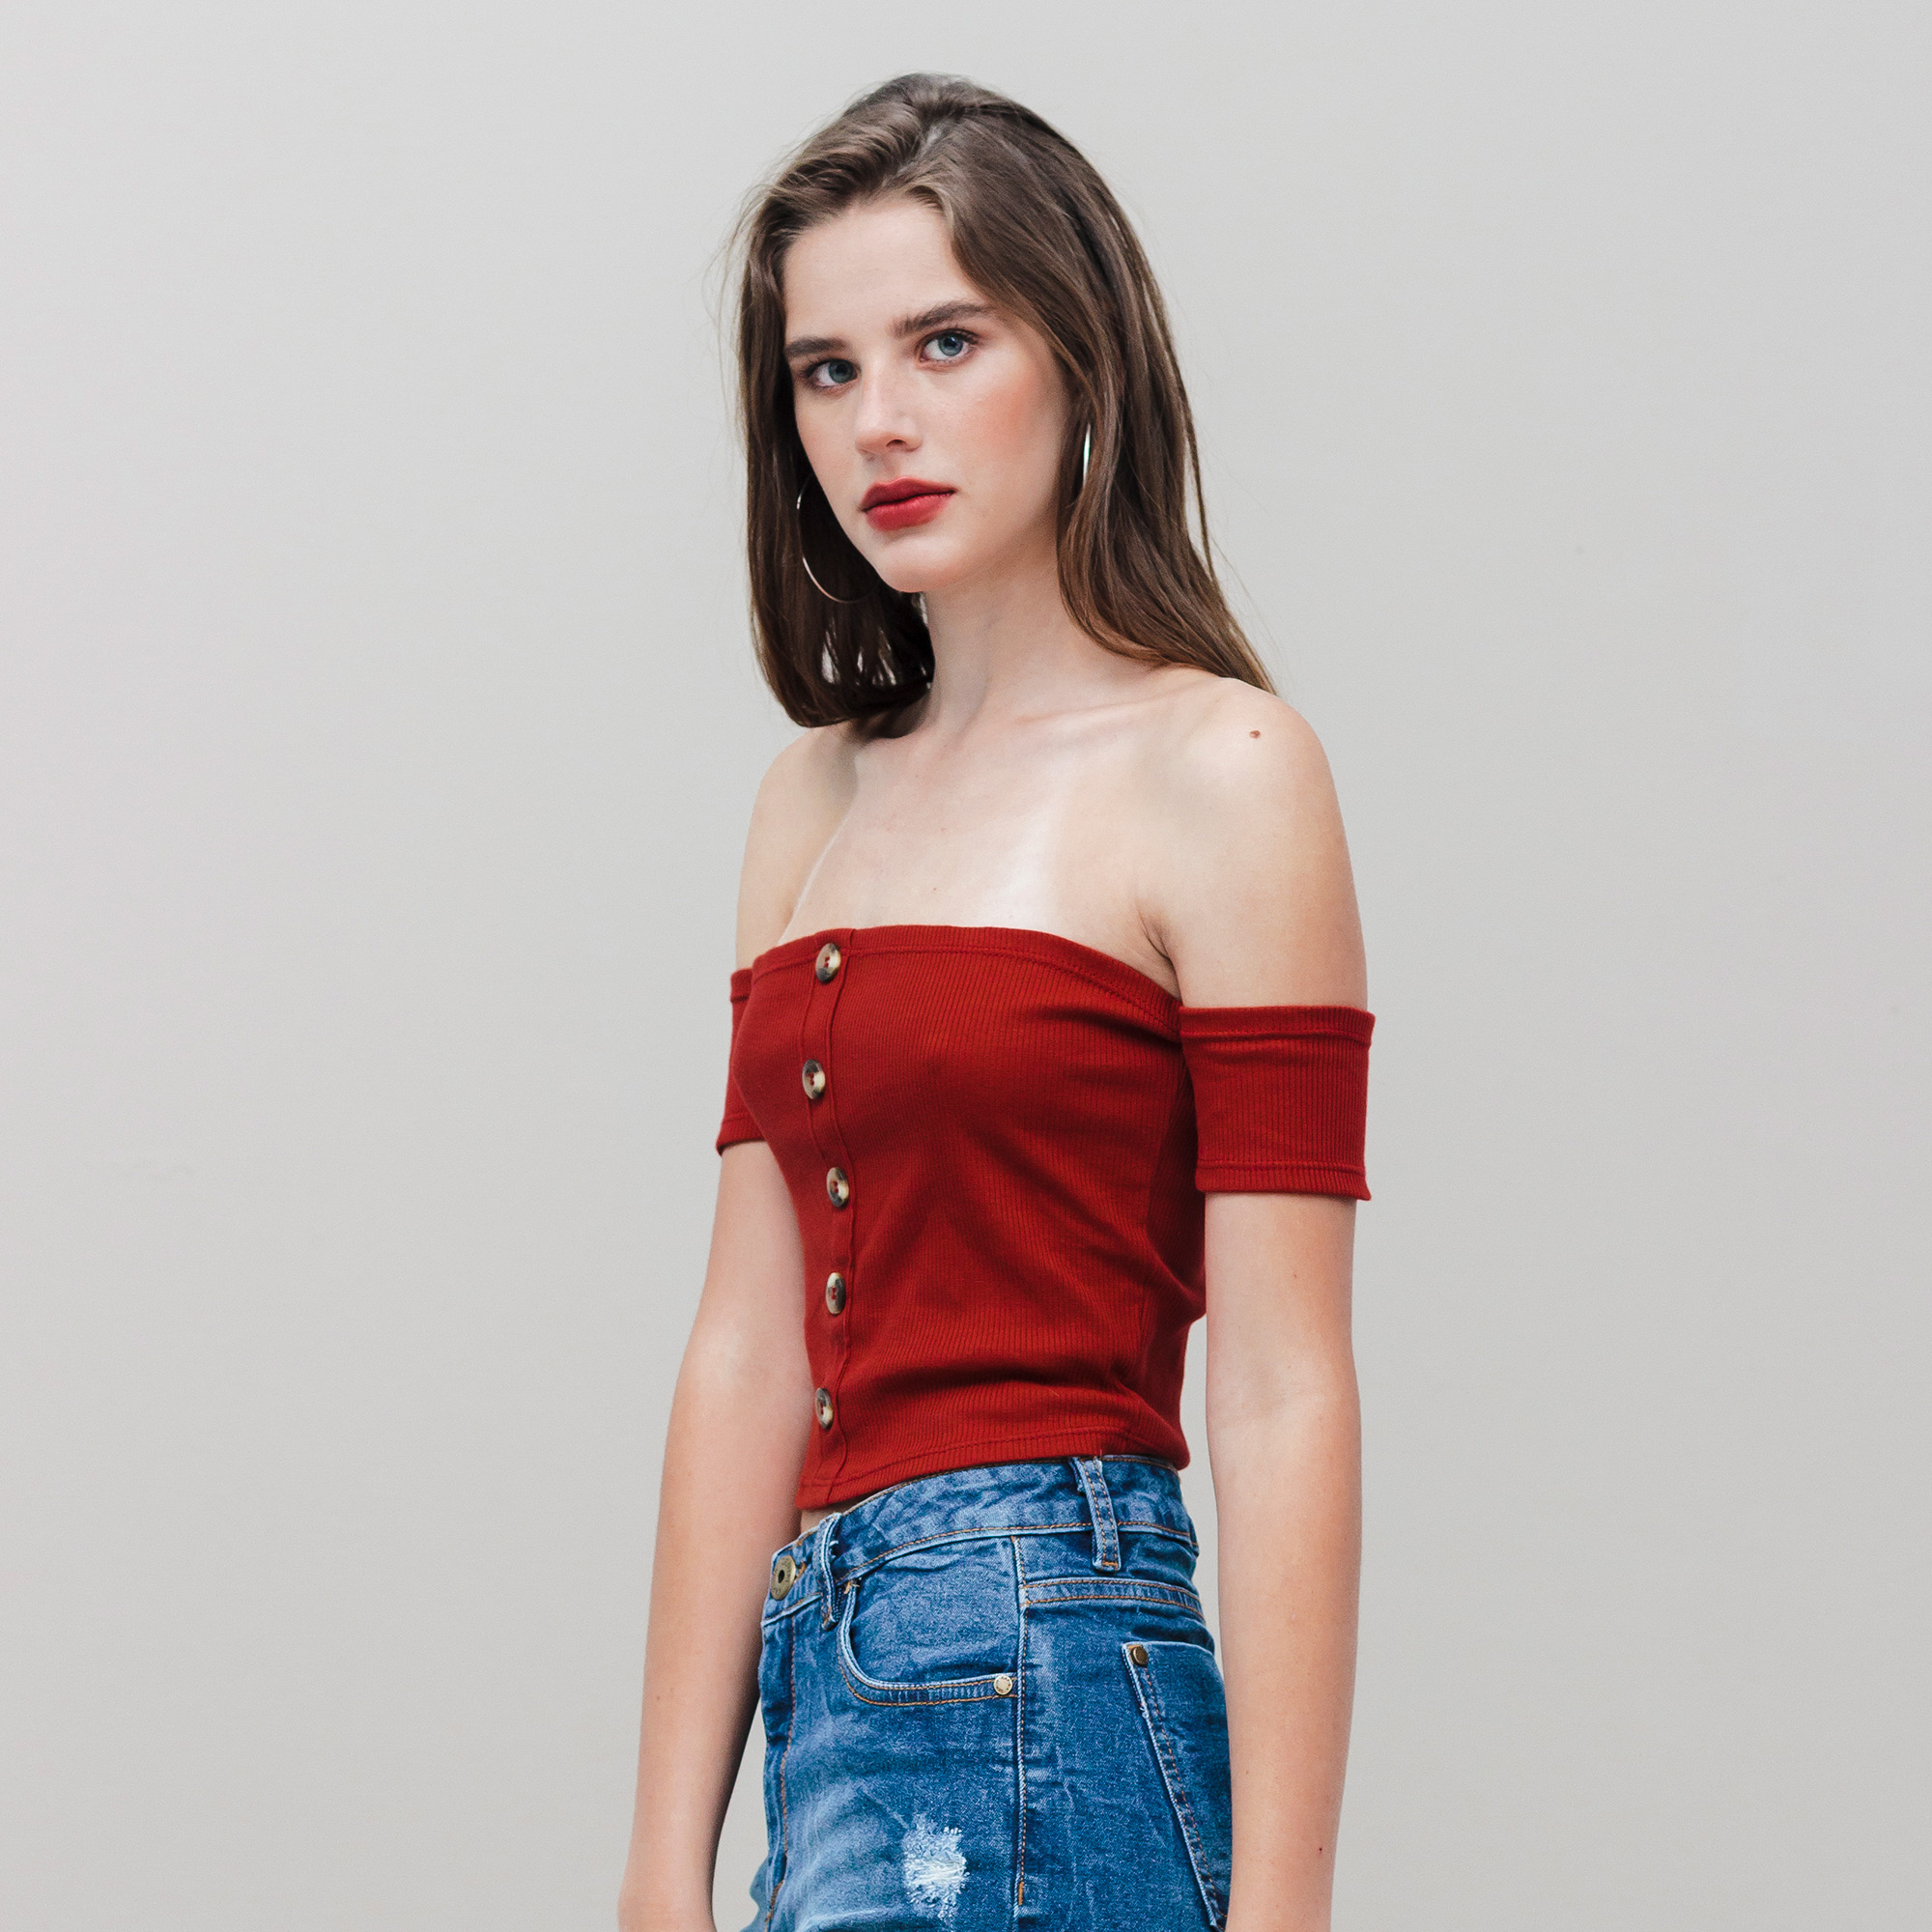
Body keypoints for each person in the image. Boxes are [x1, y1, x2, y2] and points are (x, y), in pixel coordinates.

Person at [619, 73, 1374, 1932]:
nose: (880, 419)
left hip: (1054, 1650)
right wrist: (658, 1862)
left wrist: (1286, 1910)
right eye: (826, 370)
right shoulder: (811, 800)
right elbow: (747, 1348)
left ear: (1081, 354)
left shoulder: (1225, 770)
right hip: (826, 1685)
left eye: (945, 343)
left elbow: (1285, 1385)